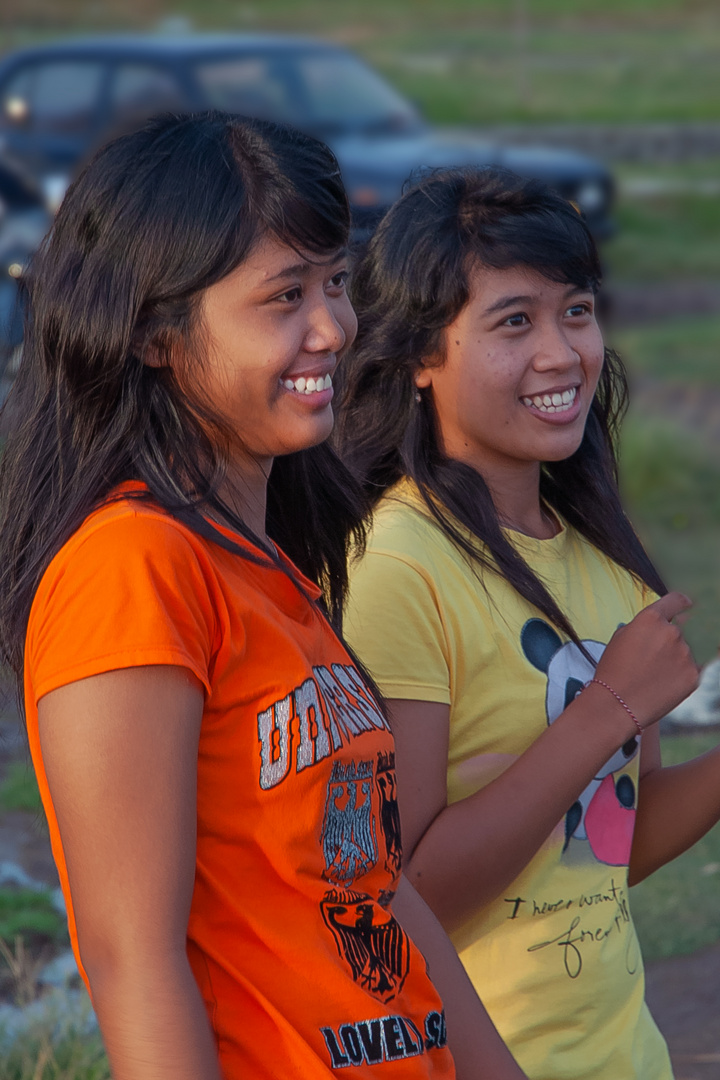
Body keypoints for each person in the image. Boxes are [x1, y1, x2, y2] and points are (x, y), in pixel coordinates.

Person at [0, 119, 527, 1080]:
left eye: (335, 280)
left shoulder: (264, 564)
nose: (333, 325)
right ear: (155, 334)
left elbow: (371, 885)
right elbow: (132, 960)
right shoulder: (131, 567)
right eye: (285, 296)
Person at [337, 166, 709, 1080]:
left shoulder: (604, 560)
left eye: (575, 311)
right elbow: (409, 893)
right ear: (421, 357)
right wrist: (608, 707)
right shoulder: (398, 567)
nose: (562, 353)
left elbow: (611, 851)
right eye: (514, 320)